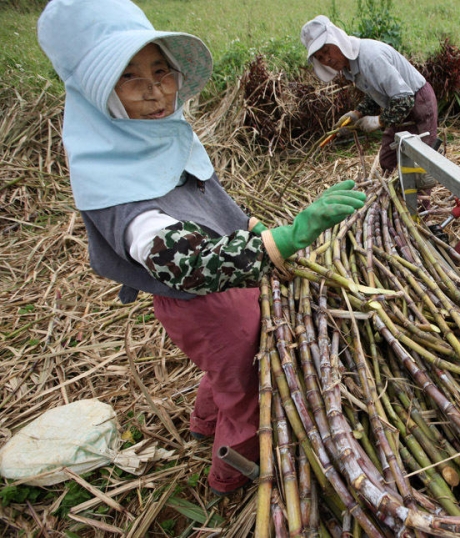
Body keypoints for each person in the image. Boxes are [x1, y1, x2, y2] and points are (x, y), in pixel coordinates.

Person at [37, 0, 365, 496]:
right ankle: (227, 479)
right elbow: (184, 263)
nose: (155, 91)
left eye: (161, 70)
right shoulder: (112, 178)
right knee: (249, 393)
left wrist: (254, 226)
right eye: (129, 78)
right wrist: (289, 235)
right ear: (96, 94)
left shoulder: (157, 136)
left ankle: (201, 424)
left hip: (227, 293)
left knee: (229, 368)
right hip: (202, 303)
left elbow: (211, 203)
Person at [300, 15, 439, 183]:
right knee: (388, 162)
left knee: (421, 169)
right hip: (395, 106)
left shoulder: (371, 58)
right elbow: (377, 92)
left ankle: (420, 206)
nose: (326, 59)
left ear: (337, 40)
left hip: (418, 102)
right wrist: (357, 114)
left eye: (326, 50)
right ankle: (394, 201)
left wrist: (379, 121)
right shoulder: (349, 66)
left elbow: (405, 99)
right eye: (320, 57)